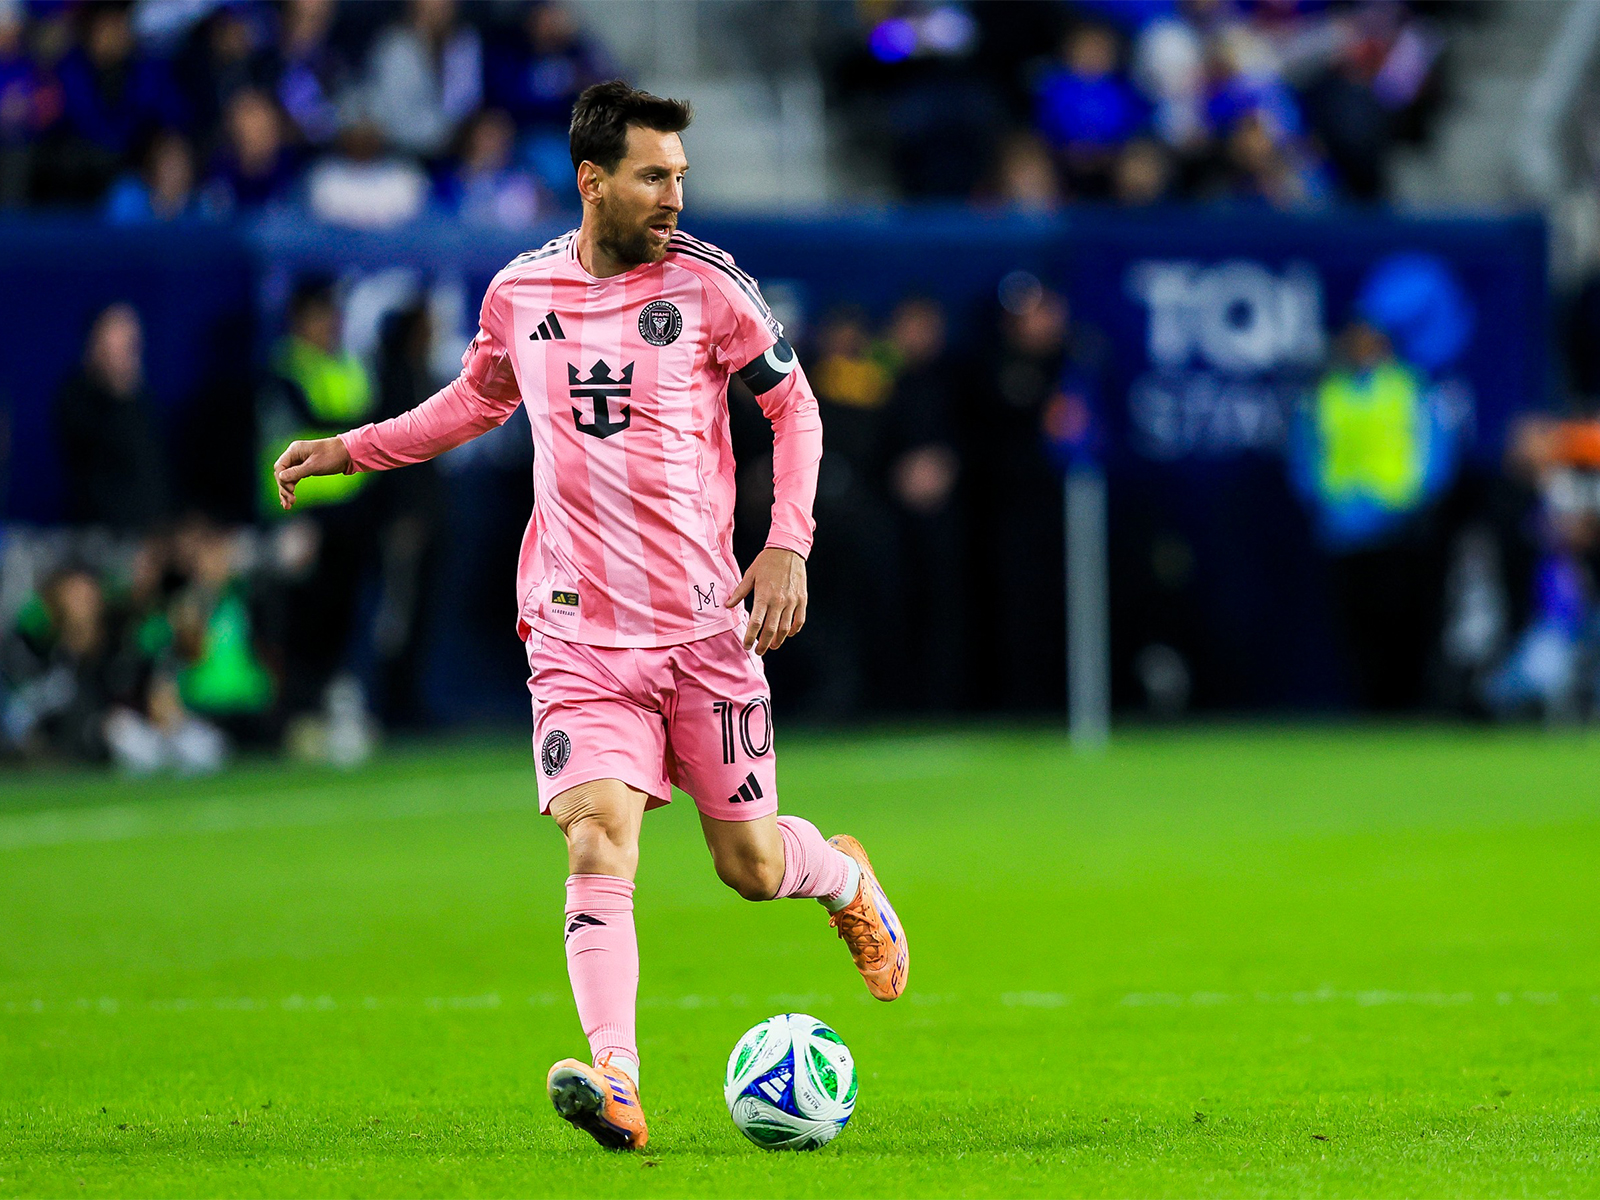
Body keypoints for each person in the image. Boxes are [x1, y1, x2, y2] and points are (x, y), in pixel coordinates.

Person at [272, 80, 908, 1152]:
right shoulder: (522, 293)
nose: (674, 197)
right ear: (592, 181)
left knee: (750, 868)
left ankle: (843, 876)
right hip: (576, 635)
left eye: (680, 176)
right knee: (597, 841)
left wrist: (787, 542)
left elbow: (792, 407)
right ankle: (617, 1077)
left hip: (704, 630)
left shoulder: (709, 286)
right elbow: (476, 399)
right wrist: (352, 447)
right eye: (653, 176)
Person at [56, 302, 168, 534]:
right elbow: (95, 452)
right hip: (100, 532)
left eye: (131, 341)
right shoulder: (76, 396)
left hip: (152, 530)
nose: (125, 349)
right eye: (116, 338)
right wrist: (118, 385)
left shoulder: (143, 401)